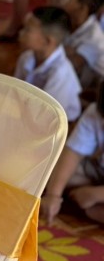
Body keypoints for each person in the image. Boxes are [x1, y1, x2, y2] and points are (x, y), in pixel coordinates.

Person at [41, 80, 104, 226]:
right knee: (50, 173)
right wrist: (53, 195)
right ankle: (86, 203)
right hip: (98, 171)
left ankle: (87, 204)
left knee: (92, 205)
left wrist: (95, 194)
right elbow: (74, 153)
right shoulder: (95, 112)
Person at [14, 6, 81, 123]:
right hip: (29, 111)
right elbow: (14, 89)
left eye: (27, 30)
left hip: (59, 123)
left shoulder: (60, 73)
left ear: (48, 41)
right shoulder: (26, 57)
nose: (21, 33)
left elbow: (48, 115)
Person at [62, 0, 104, 91]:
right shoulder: (69, 23)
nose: (64, 1)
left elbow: (72, 65)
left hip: (94, 91)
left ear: (82, 8)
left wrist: (62, 50)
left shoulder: (95, 38)